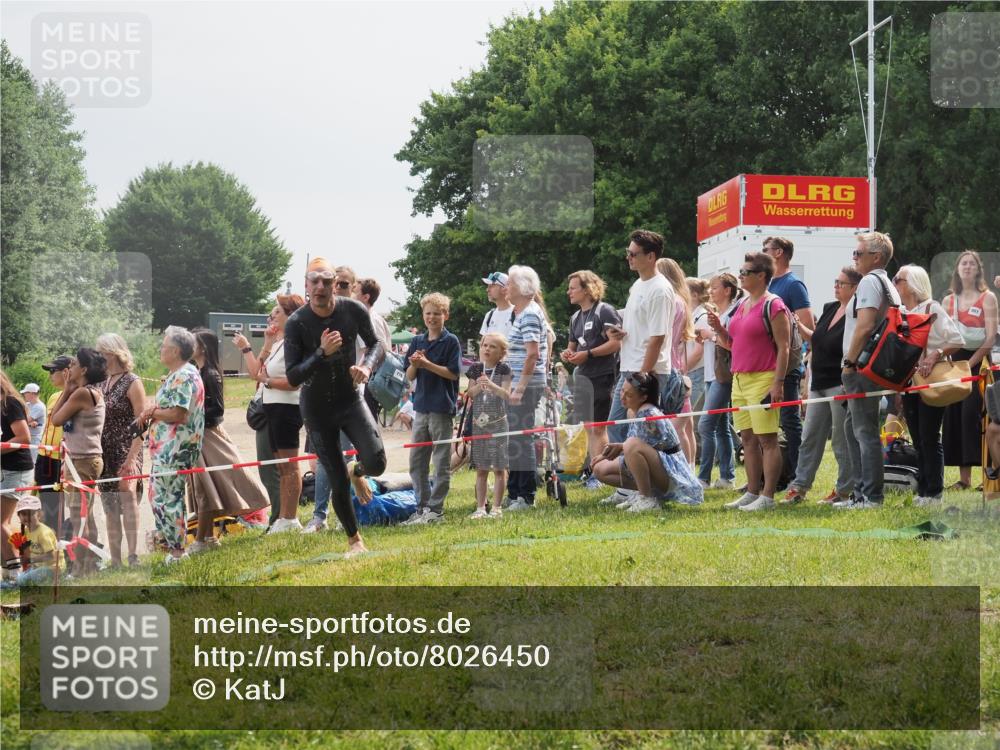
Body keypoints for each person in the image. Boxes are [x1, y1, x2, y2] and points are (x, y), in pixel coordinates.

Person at [284, 257, 387, 556]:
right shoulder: (297, 323)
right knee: (336, 479)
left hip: (350, 399)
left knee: (377, 463)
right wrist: (320, 352)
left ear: (334, 285)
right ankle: (355, 541)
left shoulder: (352, 310)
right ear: (306, 286)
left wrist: (366, 367)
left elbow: (377, 345)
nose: (320, 287)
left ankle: (359, 471)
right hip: (317, 409)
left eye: (326, 281)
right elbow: (292, 377)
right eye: (314, 281)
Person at [708, 252, 790, 512]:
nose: (741, 276)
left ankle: (767, 497)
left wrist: (777, 383)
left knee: (767, 440)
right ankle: (751, 491)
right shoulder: (742, 305)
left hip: (764, 378)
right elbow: (732, 345)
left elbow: (784, 347)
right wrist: (719, 330)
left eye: (745, 273)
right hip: (740, 379)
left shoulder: (774, 304)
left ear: (762, 275)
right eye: (741, 272)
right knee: (747, 439)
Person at [603, 230, 676, 509]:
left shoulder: (660, 289)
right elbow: (643, 329)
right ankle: (632, 489)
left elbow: (658, 338)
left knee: (641, 437)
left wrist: (642, 377)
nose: (628, 258)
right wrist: (621, 333)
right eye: (628, 252)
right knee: (619, 428)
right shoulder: (638, 286)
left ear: (651, 256)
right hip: (630, 367)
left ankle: (650, 494)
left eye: (633, 254)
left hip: (649, 372)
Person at [782, 268, 862, 505]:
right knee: (810, 436)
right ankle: (799, 486)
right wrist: (798, 325)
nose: (836, 286)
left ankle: (844, 489)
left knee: (840, 440)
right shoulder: (829, 308)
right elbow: (816, 340)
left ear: (855, 288)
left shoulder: (856, 314)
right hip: (819, 382)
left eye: (841, 283)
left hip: (840, 382)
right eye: (835, 281)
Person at [187, 328, 271, 553]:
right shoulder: (198, 371)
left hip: (209, 437)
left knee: (206, 489)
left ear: (203, 347)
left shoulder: (210, 375)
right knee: (202, 490)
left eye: (192, 342)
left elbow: (217, 410)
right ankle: (206, 538)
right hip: (200, 436)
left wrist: (190, 416)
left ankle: (203, 541)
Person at [893, 265, 967, 506]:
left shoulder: (932, 308)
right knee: (917, 436)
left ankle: (934, 492)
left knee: (929, 435)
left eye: (899, 279)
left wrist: (934, 354)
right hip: (909, 382)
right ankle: (924, 489)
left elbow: (956, 339)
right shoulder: (901, 312)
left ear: (913, 283)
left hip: (931, 380)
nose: (895, 283)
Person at [838, 232, 901, 509]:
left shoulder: (869, 283)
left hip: (863, 366)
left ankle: (871, 496)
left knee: (864, 432)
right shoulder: (886, 283)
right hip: (874, 366)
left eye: (858, 254)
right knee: (852, 426)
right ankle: (860, 491)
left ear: (876, 257)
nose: (854, 258)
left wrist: (849, 363)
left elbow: (864, 326)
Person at [135, 327, 205, 563]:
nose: (160, 350)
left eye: (163, 346)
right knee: (159, 497)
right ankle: (173, 547)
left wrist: (153, 411)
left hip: (175, 449)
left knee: (168, 499)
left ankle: (177, 551)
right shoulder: (181, 373)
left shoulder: (184, 375)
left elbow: (179, 413)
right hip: (167, 449)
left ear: (175, 351)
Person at [590, 372, 703, 511]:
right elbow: (642, 444)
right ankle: (646, 494)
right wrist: (610, 452)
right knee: (600, 469)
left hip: (671, 476)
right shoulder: (635, 410)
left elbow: (638, 446)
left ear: (644, 397)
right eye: (622, 391)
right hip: (658, 466)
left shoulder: (648, 413)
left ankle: (647, 498)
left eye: (629, 395)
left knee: (631, 444)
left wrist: (623, 447)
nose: (623, 397)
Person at [400, 292, 462, 524]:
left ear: (445, 315)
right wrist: (416, 365)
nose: (432, 317)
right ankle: (422, 507)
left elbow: (453, 373)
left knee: (440, 462)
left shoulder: (451, 341)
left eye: (437, 313)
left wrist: (427, 363)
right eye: (428, 313)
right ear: (423, 315)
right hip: (421, 407)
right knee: (417, 462)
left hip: (441, 408)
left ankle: (436, 510)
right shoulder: (417, 341)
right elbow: (409, 375)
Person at [246, 295, 305, 533]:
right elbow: (257, 372)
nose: (273, 317)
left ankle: (290, 518)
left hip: (287, 408)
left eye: (278, 312)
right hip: (272, 408)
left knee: (290, 467)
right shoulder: (281, 342)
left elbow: (294, 382)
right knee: (281, 468)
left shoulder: (295, 343)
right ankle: (282, 517)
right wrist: (267, 345)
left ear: (291, 315)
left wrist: (267, 381)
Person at [941, 250, 999, 491]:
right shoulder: (948, 301)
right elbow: (942, 336)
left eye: (971, 264)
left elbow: (989, 338)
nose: (967, 267)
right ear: (957, 269)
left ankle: (987, 475)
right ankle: (963, 479)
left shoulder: (988, 298)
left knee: (973, 417)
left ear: (978, 270)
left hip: (978, 366)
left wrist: (971, 364)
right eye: (963, 263)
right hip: (953, 366)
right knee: (953, 418)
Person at [560, 269, 621, 489]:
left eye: (573, 288)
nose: (569, 292)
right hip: (583, 378)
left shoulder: (604, 311)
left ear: (587, 289)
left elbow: (616, 343)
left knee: (598, 428)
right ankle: (596, 470)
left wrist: (590, 354)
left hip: (603, 375)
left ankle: (601, 473)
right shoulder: (575, 317)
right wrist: (566, 354)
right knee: (588, 427)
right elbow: (572, 346)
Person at [50, 349, 107, 575]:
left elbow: (55, 419)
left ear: (83, 370)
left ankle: (81, 569)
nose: (69, 369)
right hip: (82, 460)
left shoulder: (82, 393)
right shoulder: (87, 391)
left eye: (73, 364)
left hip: (84, 461)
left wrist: (66, 389)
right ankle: (90, 566)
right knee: (86, 516)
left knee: (79, 517)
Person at [763, 236, 813, 474]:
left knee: (790, 421)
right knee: (766, 423)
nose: (763, 253)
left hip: (788, 364)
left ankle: (797, 473)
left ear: (779, 253)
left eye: (766, 249)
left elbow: (807, 325)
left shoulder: (793, 285)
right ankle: (771, 473)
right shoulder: (768, 284)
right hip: (765, 364)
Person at [502, 266, 550, 511]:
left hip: (527, 384)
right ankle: (515, 492)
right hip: (522, 382)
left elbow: (533, 354)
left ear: (521, 288)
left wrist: (519, 387)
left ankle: (525, 496)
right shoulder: (520, 314)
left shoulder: (529, 313)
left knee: (522, 438)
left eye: (509, 283)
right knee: (515, 439)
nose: (506, 287)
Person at [95, 333, 146, 568]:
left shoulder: (132, 381)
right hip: (103, 451)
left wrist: (132, 457)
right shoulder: (100, 382)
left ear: (112, 352)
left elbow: (141, 422)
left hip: (127, 447)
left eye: (100, 351)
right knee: (109, 505)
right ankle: (115, 559)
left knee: (127, 498)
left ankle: (133, 555)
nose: (98, 356)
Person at [696, 273, 742, 490]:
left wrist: (710, 335)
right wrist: (705, 337)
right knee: (722, 426)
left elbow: (733, 344)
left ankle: (703, 477)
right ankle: (727, 477)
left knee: (705, 425)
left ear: (728, 290)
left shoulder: (732, 314)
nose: (711, 291)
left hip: (722, 377)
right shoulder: (717, 313)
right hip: (711, 375)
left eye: (715, 288)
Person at [466, 333, 512, 518]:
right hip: (479, 424)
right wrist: (479, 386)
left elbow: (506, 394)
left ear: (501, 353)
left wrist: (491, 385)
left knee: (499, 468)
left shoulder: (504, 369)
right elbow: (470, 393)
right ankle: (480, 508)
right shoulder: (476, 369)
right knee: (481, 468)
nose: (487, 349)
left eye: (492, 346)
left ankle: (497, 508)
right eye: (485, 345)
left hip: (498, 423)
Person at [657, 258, 697, 464]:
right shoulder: (682, 301)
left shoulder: (672, 301)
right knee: (684, 428)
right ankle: (689, 471)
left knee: (676, 429)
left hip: (669, 369)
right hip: (678, 368)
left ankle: (683, 472)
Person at [35, 356, 70, 531]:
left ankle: (59, 548)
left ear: (66, 372)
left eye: (52, 371)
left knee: (56, 509)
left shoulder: (77, 394)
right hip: (44, 456)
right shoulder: (54, 396)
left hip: (61, 460)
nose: (50, 375)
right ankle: (48, 543)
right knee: (44, 506)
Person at [3, 494, 60, 588]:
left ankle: (10, 586)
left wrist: (30, 560)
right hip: (38, 567)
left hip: (52, 568)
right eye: (23, 514)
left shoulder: (43, 533)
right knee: (20, 577)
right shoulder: (26, 531)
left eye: (31, 513)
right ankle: (10, 585)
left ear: (40, 514)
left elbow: (52, 556)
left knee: (21, 580)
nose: (27, 517)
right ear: (19, 516)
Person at [1, 370, 35, 492]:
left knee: (6, 512)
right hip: (5, 468)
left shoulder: (10, 403)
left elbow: (24, 437)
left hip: (14, 469)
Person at [686, 278, 710, 411]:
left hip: (696, 373)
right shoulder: (693, 316)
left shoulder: (703, 317)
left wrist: (682, 369)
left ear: (694, 295)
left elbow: (697, 352)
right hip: (693, 372)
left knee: (693, 419)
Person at [480, 271, 516, 339]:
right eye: (488, 286)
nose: (487, 290)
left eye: (492, 286)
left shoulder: (517, 313)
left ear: (504, 289)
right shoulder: (489, 315)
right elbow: (483, 346)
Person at [20, 384, 45, 463]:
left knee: (32, 462)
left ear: (32, 393)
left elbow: (24, 420)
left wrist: (28, 422)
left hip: (35, 438)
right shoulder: (28, 404)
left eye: (25, 393)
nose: (24, 395)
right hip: (27, 436)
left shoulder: (39, 407)